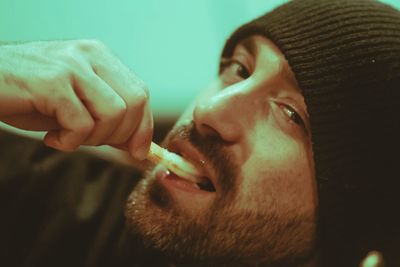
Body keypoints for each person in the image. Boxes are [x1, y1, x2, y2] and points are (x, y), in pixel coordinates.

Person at [0, 0, 399, 266]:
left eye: (291, 114)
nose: (209, 110)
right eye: (238, 69)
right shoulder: (51, 208)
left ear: (351, 205)